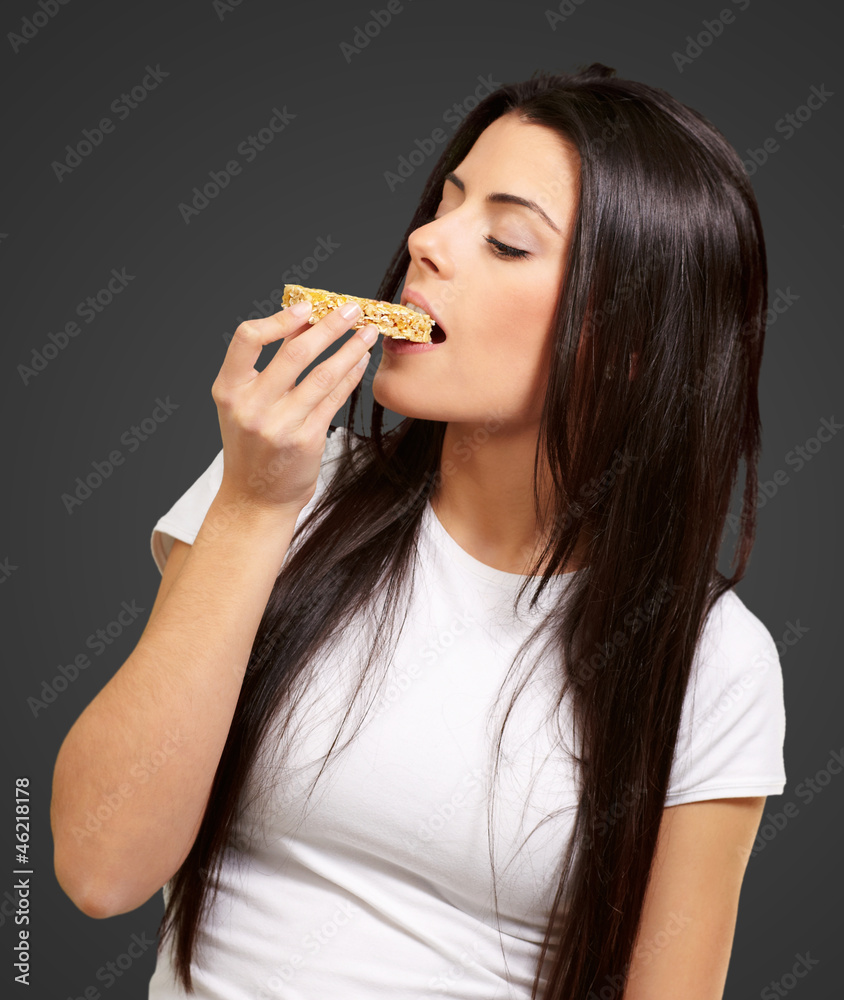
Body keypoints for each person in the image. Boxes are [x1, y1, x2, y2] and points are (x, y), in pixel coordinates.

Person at [51, 63, 787, 999]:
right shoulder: (284, 487)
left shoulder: (712, 662)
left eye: (508, 241)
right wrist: (251, 509)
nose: (426, 241)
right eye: (445, 204)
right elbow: (97, 865)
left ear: (633, 345)